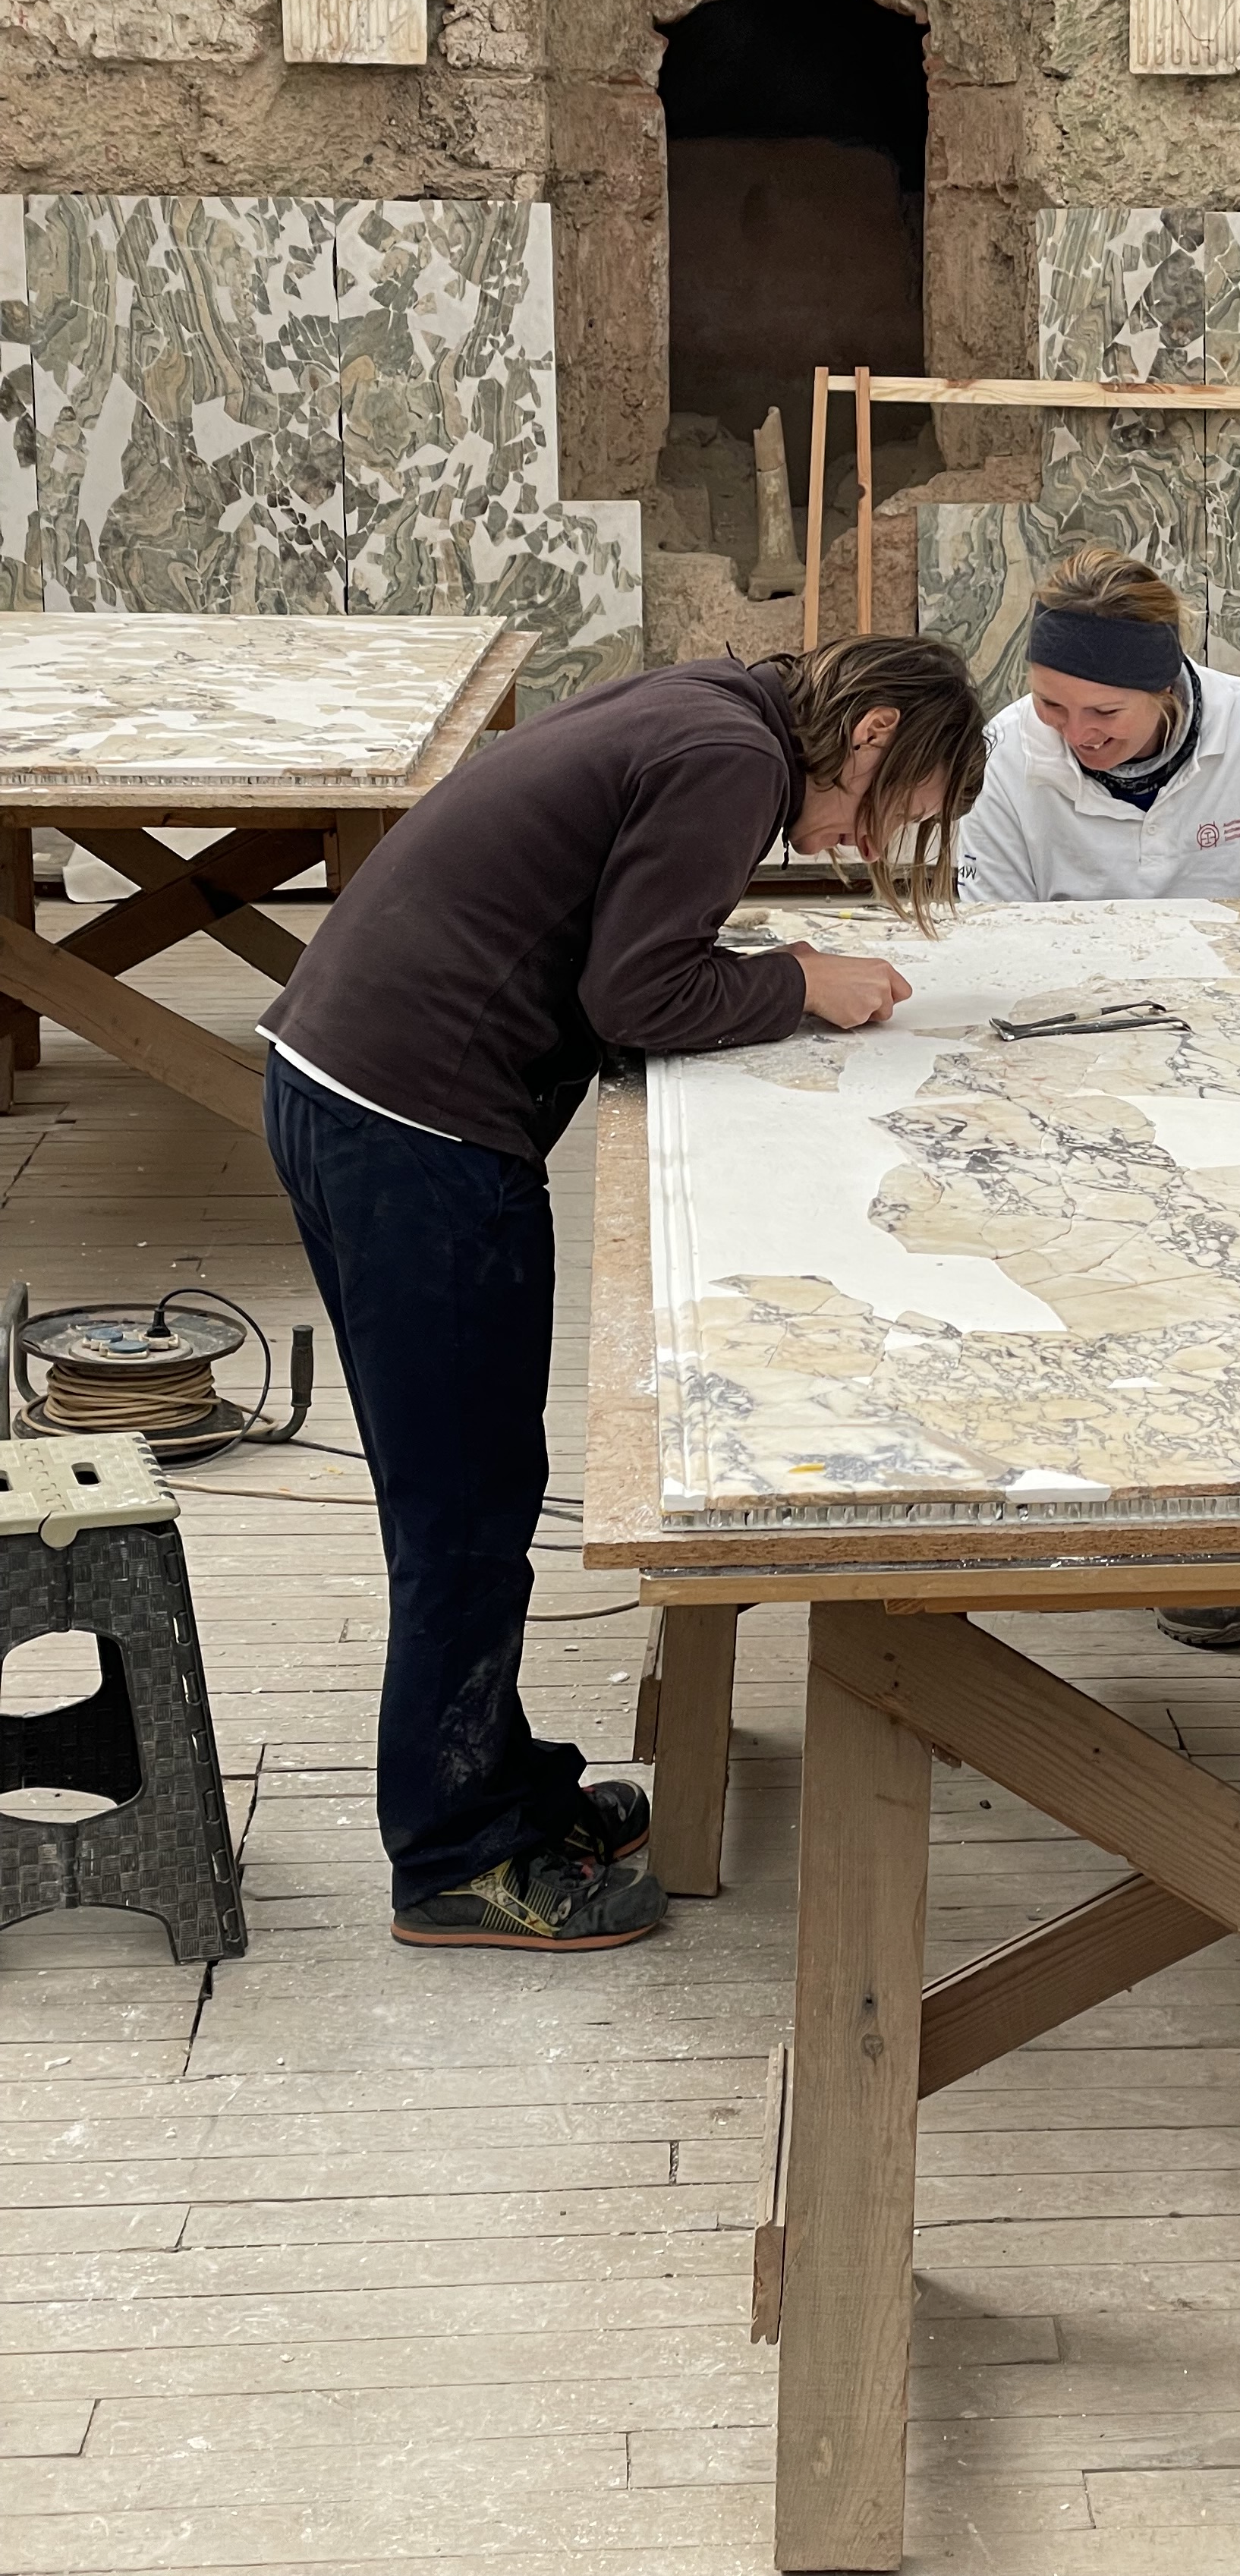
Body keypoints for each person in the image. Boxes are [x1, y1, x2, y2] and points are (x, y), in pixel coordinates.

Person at [261, 636, 986, 1951]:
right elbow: (639, 992)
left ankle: (497, 1783)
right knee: (465, 1508)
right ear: (872, 732)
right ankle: (455, 1858)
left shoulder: (711, 706)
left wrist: (773, 971)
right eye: (892, 811)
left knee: (470, 1484)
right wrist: (798, 982)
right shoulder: (734, 758)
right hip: (415, 1128)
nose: (857, 844)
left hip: (342, 1078)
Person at [958, 545, 1240, 1652]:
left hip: (1237, 1048)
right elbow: (988, 942)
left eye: (1104, 713)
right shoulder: (1006, 753)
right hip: (1062, 1046)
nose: (1075, 734)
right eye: (1053, 705)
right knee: (1081, 1269)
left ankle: (1229, 1524)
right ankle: (1098, 1496)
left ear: (1167, 686)